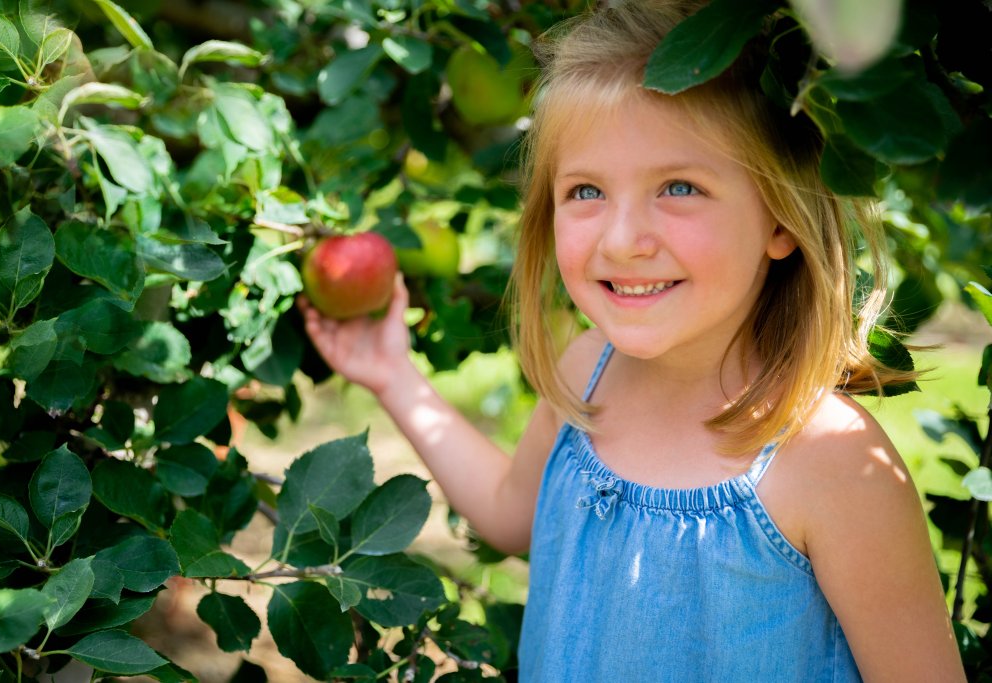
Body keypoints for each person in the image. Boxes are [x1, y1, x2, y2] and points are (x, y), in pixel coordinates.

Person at [298, 0, 966, 679]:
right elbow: (512, 514)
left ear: (781, 218)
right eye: (586, 190)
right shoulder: (589, 372)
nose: (621, 240)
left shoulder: (833, 463)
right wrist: (393, 374)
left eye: (679, 186)